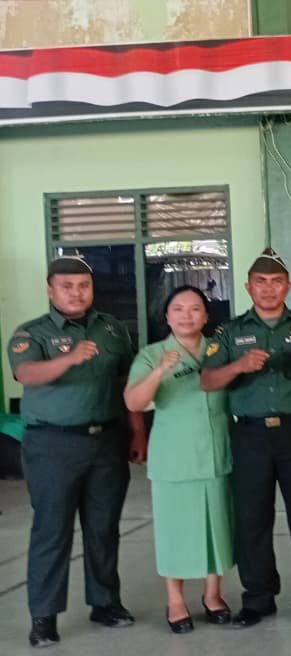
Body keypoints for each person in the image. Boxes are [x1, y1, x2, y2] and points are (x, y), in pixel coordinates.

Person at [200, 248, 291, 628]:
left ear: (287, 286)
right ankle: (258, 598)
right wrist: (239, 365)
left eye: (276, 282)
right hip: (250, 434)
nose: (268, 288)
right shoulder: (229, 332)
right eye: (260, 282)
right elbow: (208, 381)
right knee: (252, 518)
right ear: (248, 287)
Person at [9, 250, 137, 648]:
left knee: (103, 527)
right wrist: (68, 359)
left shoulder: (113, 329)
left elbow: (126, 382)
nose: (76, 293)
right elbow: (26, 373)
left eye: (83, 286)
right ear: (50, 290)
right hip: (52, 444)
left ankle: (105, 603)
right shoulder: (32, 333)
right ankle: (44, 617)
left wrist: (138, 433)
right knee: (52, 529)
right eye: (66, 286)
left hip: (107, 441)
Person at [124, 286, 235, 633]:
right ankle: (175, 601)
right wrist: (159, 371)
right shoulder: (152, 354)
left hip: (216, 452)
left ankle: (213, 595)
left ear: (206, 315)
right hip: (174, 456)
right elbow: (134, 402)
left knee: (217, 527)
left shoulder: (219, 349)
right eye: (178, 309)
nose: (187, 315)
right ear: (167, 316)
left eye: (195, 308)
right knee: (175, 531)